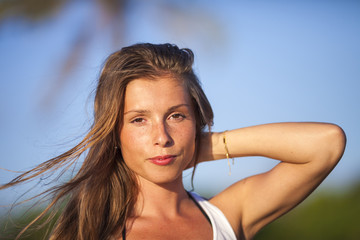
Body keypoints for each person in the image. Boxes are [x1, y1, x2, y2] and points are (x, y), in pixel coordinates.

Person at [1, 43, 346, 240]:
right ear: (114, 134)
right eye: (139, 120)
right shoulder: (91, 233)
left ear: (197, 120)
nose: (162, 138)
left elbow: (326, 143)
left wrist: (199, 146)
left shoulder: (226, 218)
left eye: (176, 116)